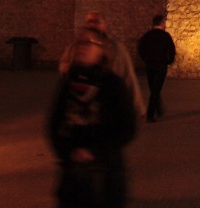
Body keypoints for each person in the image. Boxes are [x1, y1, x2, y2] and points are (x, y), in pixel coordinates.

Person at [48, 25, 136, 208]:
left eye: (89, 42)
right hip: (72, 173)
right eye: (79, 42)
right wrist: (67, 152)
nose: (82, 46)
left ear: (100, 50)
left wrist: (95, 151)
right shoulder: (67, 83)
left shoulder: (113, 84)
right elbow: (54, 123)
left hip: (105, 172)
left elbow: (127, 127)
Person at [59, 11, 146, 118]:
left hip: (109, 105)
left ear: (104, 26)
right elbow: (64, 65)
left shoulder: (117, 49)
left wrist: (137, 107)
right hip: (80, 105)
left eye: (96, 21)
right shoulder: (76, 46)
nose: (92, 24)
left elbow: (128, 78)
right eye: (89, 21)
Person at [137, 14, 176, 122]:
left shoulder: (147, 36)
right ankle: (150, 114)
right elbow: (172, 49)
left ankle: (159, 109)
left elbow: (140, 49)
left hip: (149, 65)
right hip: (161, 65)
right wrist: (169, 61)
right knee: (155, 90)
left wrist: (145, 59)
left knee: (153, 88)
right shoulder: (165, 36)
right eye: (164, 22)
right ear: (161, 23)